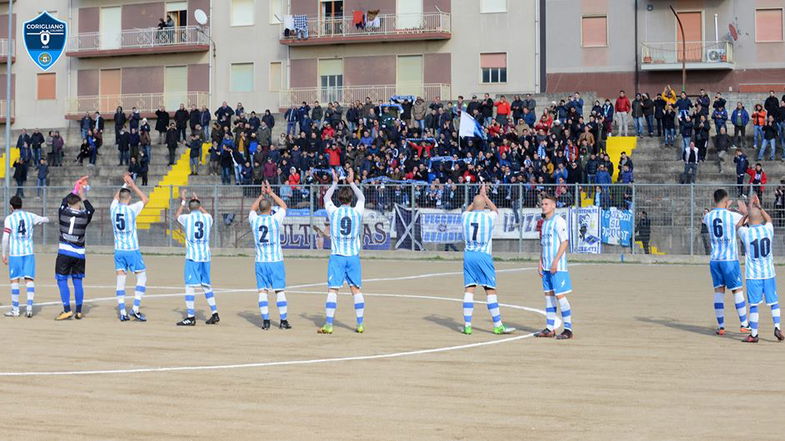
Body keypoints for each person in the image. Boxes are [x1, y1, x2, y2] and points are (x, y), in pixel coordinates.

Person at [460, 184, 515, 335]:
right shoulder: (488, 217)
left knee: (469, 289)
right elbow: (495, 210)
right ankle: (497, 325)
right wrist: (485, 197)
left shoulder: (465, 216)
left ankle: (467, 325)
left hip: (469, 255)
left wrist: (478, 198)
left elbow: (469, 209)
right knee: (490, 290)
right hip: (483, 255)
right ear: (484, 205)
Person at [317, 168, 366, 334]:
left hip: (337, 256)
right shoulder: (357, 212)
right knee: (356, 290)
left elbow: (326, 198)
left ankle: (329, 324)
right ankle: (360, 324)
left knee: (333, 290)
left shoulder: (334, 212)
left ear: (339, 199)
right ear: (350, 199)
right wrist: (352, 182)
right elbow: (362, 197)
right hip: (353, 256)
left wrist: (334, 182)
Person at [735, 194, 784, 343]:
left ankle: (754, 334)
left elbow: (738, 226)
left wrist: (745, 214)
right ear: (761, 217)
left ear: (749, 219)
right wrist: (759, 207)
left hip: (753, 275)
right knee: (773, 302)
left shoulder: (746, 232)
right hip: (769, 273)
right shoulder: (768, 230)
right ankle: (777, 326)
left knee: (754, 305)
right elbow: (769, 220)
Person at [704, 189, 751, 336]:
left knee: (719, 291)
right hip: (729, 259)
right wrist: (745, 212)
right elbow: (749, 221)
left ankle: (721, 326)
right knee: (737, 290)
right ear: (726, 201)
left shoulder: (708, 216)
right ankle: (744, 324)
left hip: (715, 260)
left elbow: (707, 218)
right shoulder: (732, 216)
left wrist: (724, 207)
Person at [248, 182, 291, 330]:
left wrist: (261, 195)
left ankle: (266, 321)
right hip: (275, 260)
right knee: (279, 291)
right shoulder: (274, 219)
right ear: (271, 209)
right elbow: (284, 206)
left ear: (259, 208)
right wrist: (271, 193)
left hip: (261, 261)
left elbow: (252, 209)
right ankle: (283, 321)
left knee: (262, 291)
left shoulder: (254, 220)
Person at [175, 190, 219, 326]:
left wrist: (183, 201)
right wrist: (198, 203)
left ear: (189, 208)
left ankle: (190, 317)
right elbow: (207, 214)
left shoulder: (187, 218)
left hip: (193, 257)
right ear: (199, 207)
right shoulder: (207, 218)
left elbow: (177, 216)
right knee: (206, 285)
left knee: (189, 286)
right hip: (205, 256)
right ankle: (214, 313)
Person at [534, 194, 574, 340]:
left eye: (546, 204)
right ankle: (550, 328)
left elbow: (564, 242)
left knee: (560, 296)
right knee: (548, 296)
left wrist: (556, 261)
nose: (543, 206)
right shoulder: (544, 223)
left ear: (553, 206)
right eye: (542, 204)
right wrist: (540, 261)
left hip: (558, 267)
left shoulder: (559, 221)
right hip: (546, 267)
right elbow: (543, 245)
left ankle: (568, 329)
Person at [110, 174, 150, 322]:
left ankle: (122, 311)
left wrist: (124, 185)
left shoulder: (113, 209)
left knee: (121, 280)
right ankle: (135, 308)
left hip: (118, 250)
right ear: (129, 198)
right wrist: (132, 185)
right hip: (132, 249)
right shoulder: (132, 209)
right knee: (142, 277)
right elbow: (145, 200)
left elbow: (116, 198)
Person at [55, 177, 95, 320]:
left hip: (64, 252)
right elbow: (91, 209)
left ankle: (66, 309)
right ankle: (78, 310)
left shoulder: (63, 212)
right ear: (79, 203)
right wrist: (82, 195)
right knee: (77, 281)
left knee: (61, 280)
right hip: (79, 254)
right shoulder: (85, 216)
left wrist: (75, 188)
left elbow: (63, 201)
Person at [2, 196, 49, 318]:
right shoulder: (30, 216)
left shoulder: (9, 219)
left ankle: (15, 310)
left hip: (15, 254)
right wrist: (40, 221)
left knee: (14, 280)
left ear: (11, 207)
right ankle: (29, 308)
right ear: (21, 205)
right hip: (28, 253)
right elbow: (46, 219)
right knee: (29, 279)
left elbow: (6, 238)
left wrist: (3, 254)